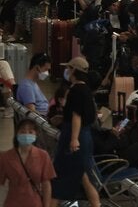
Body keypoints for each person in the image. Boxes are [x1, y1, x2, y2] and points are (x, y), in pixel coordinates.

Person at [51, 57, 100, 207]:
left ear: (74, 70)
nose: (67, 71)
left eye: (68, 68)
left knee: (60, 176)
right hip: (84, 136)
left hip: (74, 137)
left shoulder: (76, 90)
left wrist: (74, 139)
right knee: (84, 176)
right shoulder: (86, 90)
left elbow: (76, 115)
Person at [0, 118, 56, 207]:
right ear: (17, 134)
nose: (26, 134)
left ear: (36, 134)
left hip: (35, 203)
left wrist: (47, 205)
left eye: (30, 132)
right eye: (22, 131)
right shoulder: (6, 157)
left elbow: (46, 184)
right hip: (13, 203)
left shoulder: (43, 155)